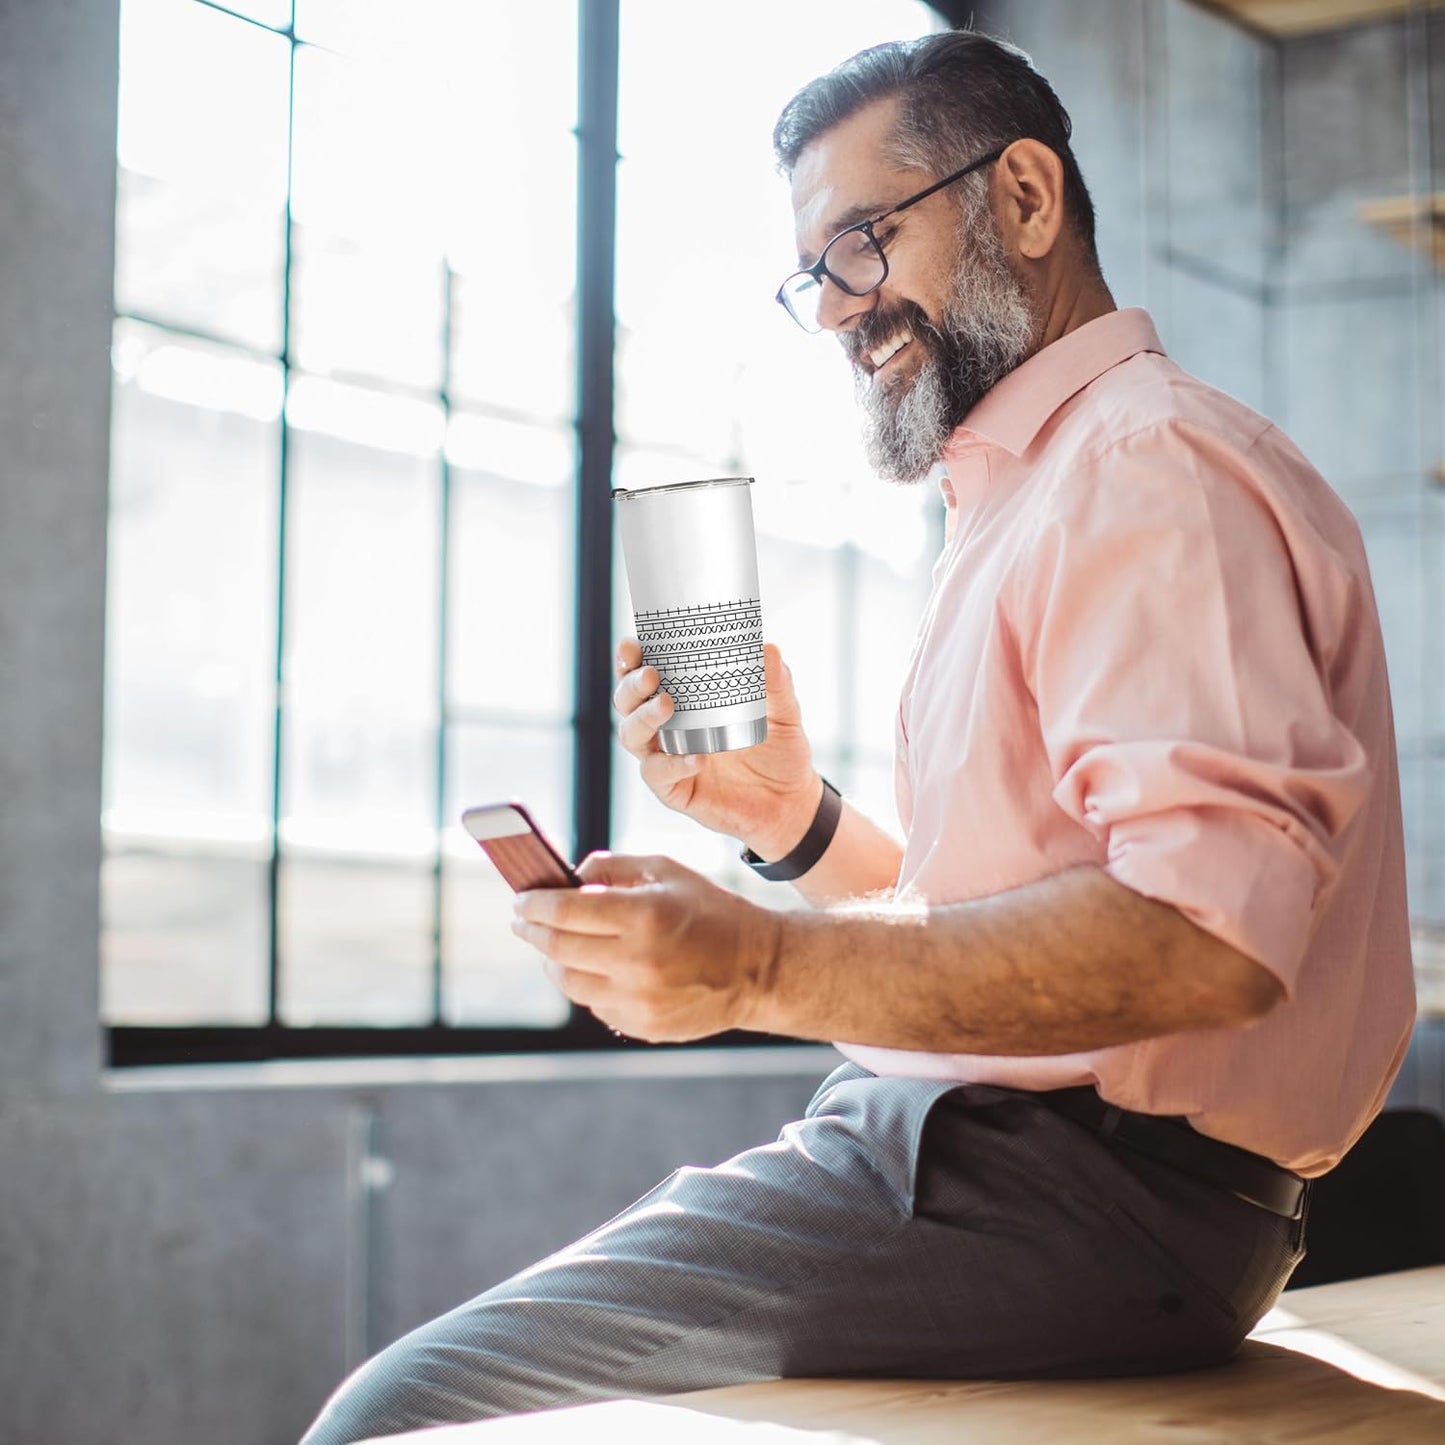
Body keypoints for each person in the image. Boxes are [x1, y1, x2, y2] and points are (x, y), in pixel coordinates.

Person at [301, 29, 1416, 1443]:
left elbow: (1201, 937)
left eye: (861, 245)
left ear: (1021, 196)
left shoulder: (1143, 467)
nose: (832, 308)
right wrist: (794, 823)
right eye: (809, 273)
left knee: (397, 1411)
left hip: (1062, 1195)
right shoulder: (1037, 495)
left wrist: (752, 964)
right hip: (1041, 1182)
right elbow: (1019, 931)